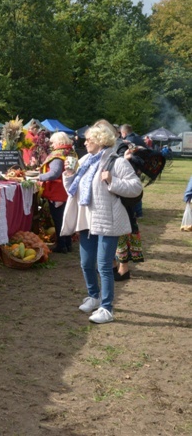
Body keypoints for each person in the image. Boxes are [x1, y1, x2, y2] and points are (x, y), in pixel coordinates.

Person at [61, 120, 143, 324]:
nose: (84, 142)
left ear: (99, 140)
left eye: (88, 139)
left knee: (104, 266)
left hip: (107, 220)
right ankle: (94, 296)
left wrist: (112, 181)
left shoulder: (117, 162)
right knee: (86, 263)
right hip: (87, 220)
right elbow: (75, 190)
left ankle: (107, 308)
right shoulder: (85, 161)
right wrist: (69, 176)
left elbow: (136, 187)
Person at [113, 144, 167, 281]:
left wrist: (128, 157)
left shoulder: (124, 152)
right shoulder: (125, 151)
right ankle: (115, 266)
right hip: (122, 199)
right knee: (119, 232)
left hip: (125, 200)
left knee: (123, 232)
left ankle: (122, 269)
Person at [37, 132, 78, 253]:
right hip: (68, 190)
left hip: (57, 191)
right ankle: (68, 243)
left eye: (53, 142)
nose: (52, 145)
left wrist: (40, 177)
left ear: (59, 142)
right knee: (66, 218)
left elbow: (54, 173)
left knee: (58, 219)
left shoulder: (57, 155)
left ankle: (61, 245)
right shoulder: (71, 152)